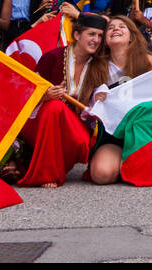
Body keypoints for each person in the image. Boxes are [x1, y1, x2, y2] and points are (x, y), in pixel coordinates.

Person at [20, 12, 107, 187]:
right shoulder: (52, 58)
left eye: (99, 36)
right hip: (38, 122)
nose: (96, 40)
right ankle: (47, 173)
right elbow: (25, 97)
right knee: (55, 107)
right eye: (91, 34)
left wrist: (98, 103)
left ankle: (57, 164)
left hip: (74, 124)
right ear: (76, 35)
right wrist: (45, 96)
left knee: (82, 143)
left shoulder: (99, 66)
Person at [79, 16, 152, 185]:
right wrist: (95, 100)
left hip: (142, 132)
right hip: (112, 134)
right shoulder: (96, 66)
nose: (115, 29)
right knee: (101, 175)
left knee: (136, 169)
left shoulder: (147, 61)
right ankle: (125, 162)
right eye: (110, 28)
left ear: (131, 36)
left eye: (122, 26)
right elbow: (86, 107)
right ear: (105, 41)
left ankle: (137, 160)